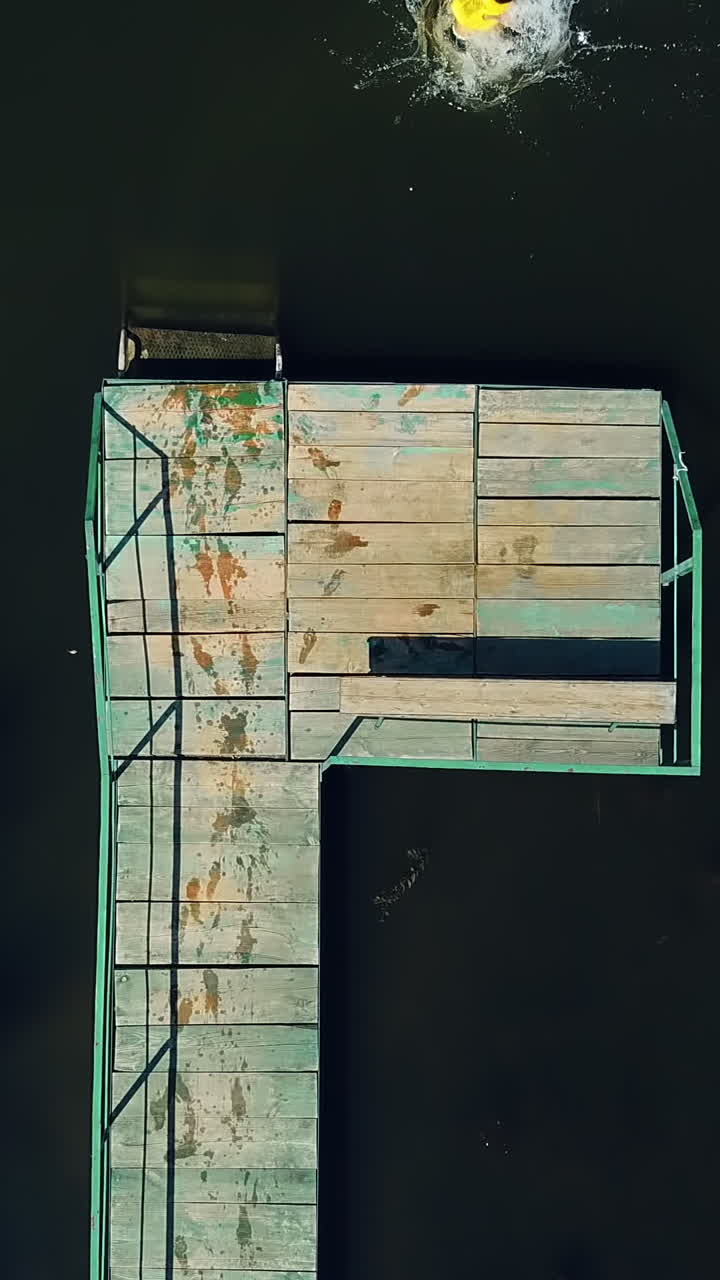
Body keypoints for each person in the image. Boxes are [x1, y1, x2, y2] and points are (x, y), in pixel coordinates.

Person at [450, 0, 514, 36]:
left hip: (496, 4)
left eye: (468, 34)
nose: (471, 35)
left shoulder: (469, 23)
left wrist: (499, 18)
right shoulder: (455, 7)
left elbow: (485, 17)